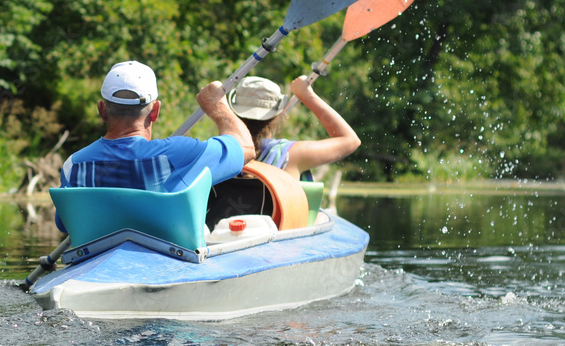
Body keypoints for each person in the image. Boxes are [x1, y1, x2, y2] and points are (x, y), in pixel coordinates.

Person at [56, 60, 255, 234]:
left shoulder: (73, 166)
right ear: (155, 111)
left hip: (96, 265)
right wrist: (216, 105)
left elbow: (64, 224)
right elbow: (246, 148)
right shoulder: (180, 154)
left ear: (102, 110)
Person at [227, 75, 361, 181]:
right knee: (322, 217)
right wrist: (307, 95)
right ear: (279, 115)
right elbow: (351, 140)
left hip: (230, 216)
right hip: (278, 216)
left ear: (233, 112)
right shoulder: (291, 154)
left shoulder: (221, 150)